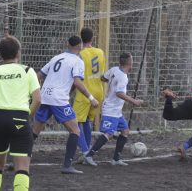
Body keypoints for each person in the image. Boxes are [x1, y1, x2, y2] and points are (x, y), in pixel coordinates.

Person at [0, 36, 41, 191]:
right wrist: (27, 117)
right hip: (20, 118)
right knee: (21, 167)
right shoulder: (27, 70)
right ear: (18, 53)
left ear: (0, 54)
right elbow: (38, 100)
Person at [33, 36, 99, 174]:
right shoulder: (77, 61)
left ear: (67, 44)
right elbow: (77, 82)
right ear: (80, 46)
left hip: (45, 96)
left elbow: (38, 75)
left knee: (34, 131)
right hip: (58, 100)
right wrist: (91, 98)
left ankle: (18, 161)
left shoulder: (56, 57)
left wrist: (35, 91)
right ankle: (67, 166)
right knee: (75, 130)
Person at [84, 52, 143, 166]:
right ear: (130, 64)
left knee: (125, 131)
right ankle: (89, 156)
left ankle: (116, 159)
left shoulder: (114, 69)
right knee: (109, 133)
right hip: (110, 109)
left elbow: (103, 78)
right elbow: (119, 93)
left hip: (116, 111)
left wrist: (112, 82)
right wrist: (134, 101)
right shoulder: (123, 77)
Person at [73, 28, 106, 165]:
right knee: (86, 121)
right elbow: (103, 74)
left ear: (81, 39)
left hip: (85, 93)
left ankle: (86, 153)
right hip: (98, 92)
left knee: (74, 122)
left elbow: (77, 76)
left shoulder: (80, 55)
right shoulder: (100, 52)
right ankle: (88, 153)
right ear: (93, 38)